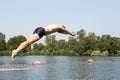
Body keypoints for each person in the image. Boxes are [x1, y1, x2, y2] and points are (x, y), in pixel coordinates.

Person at [11, 24, 75, 61]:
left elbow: (64, 32)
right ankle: (15, 52)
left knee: (28, 42)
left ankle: (16, 50)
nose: (61, 32)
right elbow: (65, 30)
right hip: (42, 31)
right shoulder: (60, 26)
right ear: (63, 27)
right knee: (28, 42)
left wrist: (32, 44)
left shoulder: (56, 27)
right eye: (61, 31)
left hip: (39, 29)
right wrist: (71, 33)